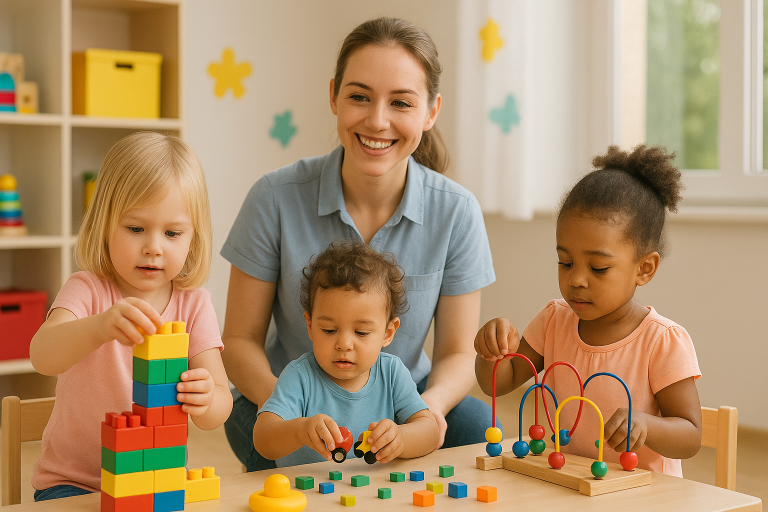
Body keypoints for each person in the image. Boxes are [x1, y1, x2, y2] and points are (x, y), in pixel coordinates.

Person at [221, 17, 496, 471]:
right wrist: (295, 412)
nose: (377, 120)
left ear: (430, 111)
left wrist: (424, 414)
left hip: (402, 397)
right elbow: (237, 341)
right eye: (359, 97)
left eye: (401, 102)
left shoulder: (457, 211)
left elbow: (458, 353)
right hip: (284, 396)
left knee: (483, 433)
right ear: (334, 96)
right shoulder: (273, 197)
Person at [474, 145, 702, 476]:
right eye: (565, 262)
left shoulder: (662, 341)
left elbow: (691, 436)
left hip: (643, 496)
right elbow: (498, 385)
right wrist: (491, 352)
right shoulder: (554, 320)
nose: (577, 280)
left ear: (645, 268)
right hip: (570, 486)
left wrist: (648, 425)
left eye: (597, 268)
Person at [29, 132, 233, 500]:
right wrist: (99, 326)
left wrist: (206, 400)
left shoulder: (194, 304)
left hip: (157, 480)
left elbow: (219, 405)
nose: (153, 247)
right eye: (136, 228)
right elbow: (42, 356)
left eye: (172, 233)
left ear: (193, 240)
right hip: (75, 483)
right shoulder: (88, 289)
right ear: (105, 226)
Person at [253, 241, 439, 467]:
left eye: (361, 332)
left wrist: (402, 438)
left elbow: (429, 431)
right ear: (310, 326)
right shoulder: (299, 376)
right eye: (329, 330)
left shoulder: (392, 373)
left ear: (387, 333)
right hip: (308, 495)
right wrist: (300, 430)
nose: (343, 344)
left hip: (376, 495)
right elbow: (263, 439)